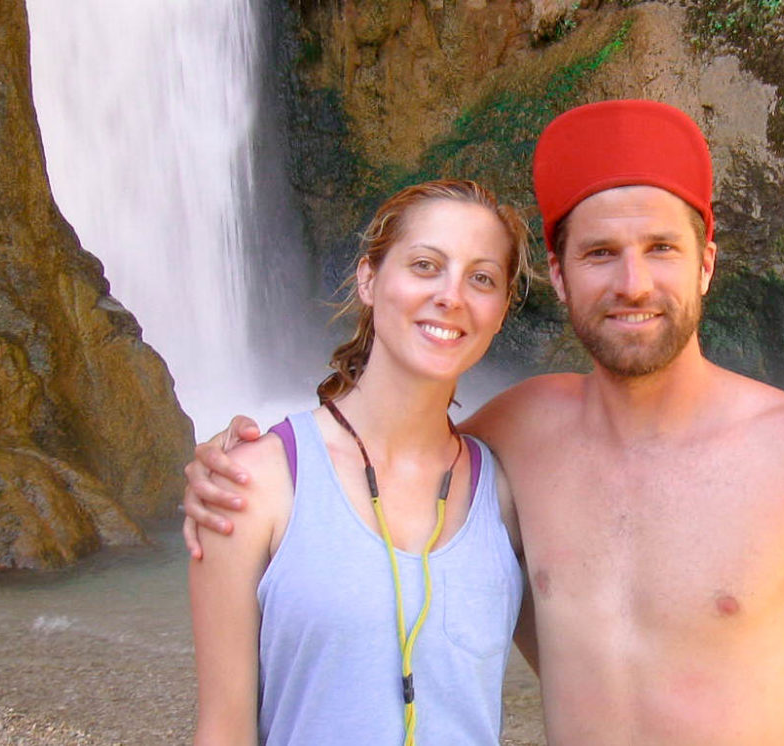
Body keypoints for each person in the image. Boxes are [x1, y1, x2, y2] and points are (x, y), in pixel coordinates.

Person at [185, 100, 784, 744]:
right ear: (561, 275)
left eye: (661, 249)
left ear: (705, 265)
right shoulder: (518, 439)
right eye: (601, 253)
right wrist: (227, 465)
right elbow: (382, 455)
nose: (633, 283)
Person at [188, 179, 534, 745]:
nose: (452, 295)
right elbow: (223, 731)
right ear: (369, 279)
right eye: (425, 265)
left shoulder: (507, 494)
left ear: (498, 313)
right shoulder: (252, 483)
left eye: (481, 278)